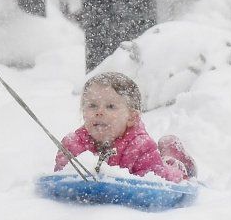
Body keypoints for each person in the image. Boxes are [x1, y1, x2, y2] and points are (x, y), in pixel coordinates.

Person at [54, 72, 195, 183]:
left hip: (166, 174)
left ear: (131, 117)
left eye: (110, 106)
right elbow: (61, 180)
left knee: (172, 168)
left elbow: (154, 184)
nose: (99, 112)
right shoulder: (73, 144)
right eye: (92, 105)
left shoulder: (141, 147)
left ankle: (176, 158)